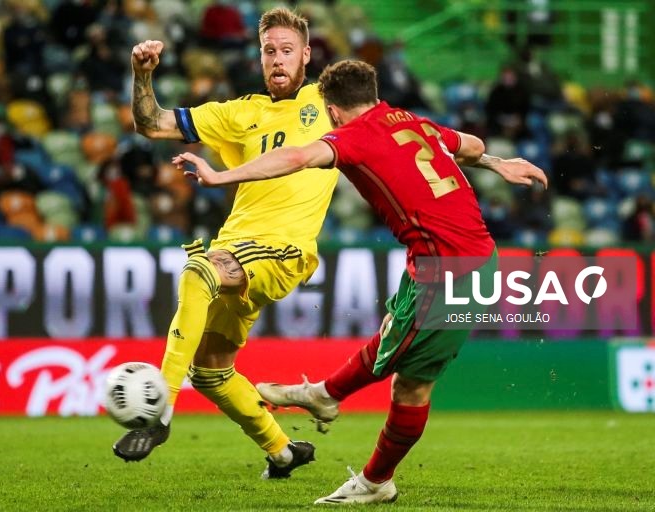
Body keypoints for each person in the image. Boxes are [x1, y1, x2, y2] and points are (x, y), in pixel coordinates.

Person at [175, 59, 547, 504]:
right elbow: (468, 143)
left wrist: (221, 176)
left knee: (401, 368)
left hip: (452, 269)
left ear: (332, 111)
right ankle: (350, 438)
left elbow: (294, 157)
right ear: (373, 94)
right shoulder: (409, 119)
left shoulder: (353, 137)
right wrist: (496, 161)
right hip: (452, 260)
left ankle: (331, 409)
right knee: (407, 378)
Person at [112, 8, 341, 479]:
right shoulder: (241, 113)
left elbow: (401, 132)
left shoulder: (332, 101)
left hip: (284, 250)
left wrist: (486, 159)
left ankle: (160, 409)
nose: (277, 60)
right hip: (237, 244)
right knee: (212, 371)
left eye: (287, 51)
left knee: (199, 271)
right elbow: (151, 123)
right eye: (269, 51)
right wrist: (141, 76)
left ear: (307, 55)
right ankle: (282, 452)